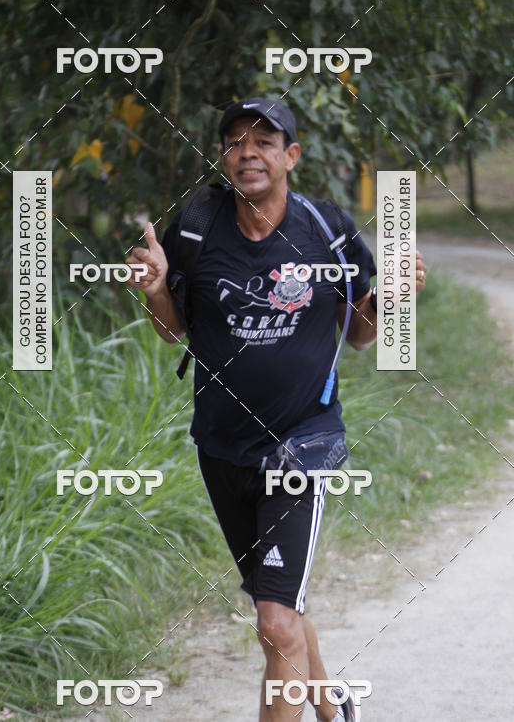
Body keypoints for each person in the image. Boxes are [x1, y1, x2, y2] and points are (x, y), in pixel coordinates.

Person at [127, 97, 427, 721]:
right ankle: (334, 706)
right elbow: (174, 330)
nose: (248, 152)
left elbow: (360, 334)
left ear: (291, 156)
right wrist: (155, 289)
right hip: (221, 445)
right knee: (278, 606)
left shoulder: (325, 229)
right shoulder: (196, 228)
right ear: (223, 157)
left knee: (276, 623)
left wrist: (389, 299)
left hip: (301, 444)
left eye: (264, 142)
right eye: (236, 141)